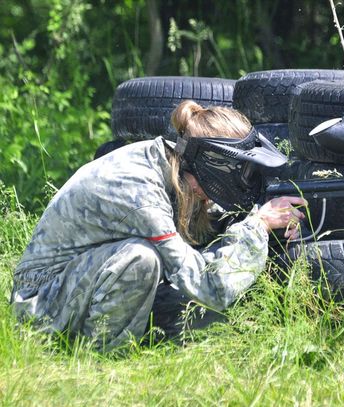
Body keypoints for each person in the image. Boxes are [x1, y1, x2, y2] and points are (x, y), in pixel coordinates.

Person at [11, 100, 307, 349]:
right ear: (214, 164)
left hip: (81, 281)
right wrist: (258, 225)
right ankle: (100, 356)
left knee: (212, 319)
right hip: (39, 303)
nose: (243, 181)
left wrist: (261, 222)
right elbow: (208, 286)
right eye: (240, 171)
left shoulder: (174, 163)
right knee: (140, 260)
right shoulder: (141, 193)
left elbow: (207, 229)